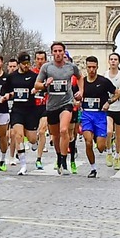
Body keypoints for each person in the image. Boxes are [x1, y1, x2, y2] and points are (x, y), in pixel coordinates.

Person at [34, 42, 77, 172]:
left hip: (67, 103)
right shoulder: (46, 68)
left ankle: (64, 160)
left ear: (64, 52)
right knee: (56, 135)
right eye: (55, 51)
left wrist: (80, 90)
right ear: (52, 53)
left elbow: (80, 78)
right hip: (52, 105)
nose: (58, 53)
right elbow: (37, 85)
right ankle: (59, 156)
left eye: (60, 51)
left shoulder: (71, 67)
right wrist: (45, 85)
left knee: (64, 130)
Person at [77, 55, 116, 175]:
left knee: (100, 147)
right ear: (86, 68)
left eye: (94, 67)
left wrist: (108, 102)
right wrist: (76, 100)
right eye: (89, 67)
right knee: (87, 142)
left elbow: (117, 93)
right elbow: (74, 94)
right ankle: (93, 168)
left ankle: (107, 141)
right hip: (87, 115)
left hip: (100, 116)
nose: (91, 70)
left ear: (97, 67)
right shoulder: (82, 82)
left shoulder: (103, 81)